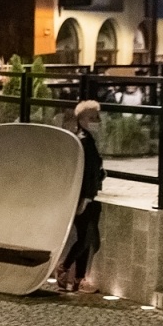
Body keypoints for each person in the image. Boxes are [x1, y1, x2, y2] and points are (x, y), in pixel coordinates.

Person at [58, 100, 107, 293]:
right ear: (81, 119)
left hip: (88, 194)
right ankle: (64, 268)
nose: (96, 121)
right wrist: (85, 197)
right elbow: (84, 171)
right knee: (86, 237)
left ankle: (78, 278)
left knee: (87, 237)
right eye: (92, 117)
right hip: (84, 196)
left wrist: (100, 175)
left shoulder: (88, 139)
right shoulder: (84, 141)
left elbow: (92, 169)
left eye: (97, 117)